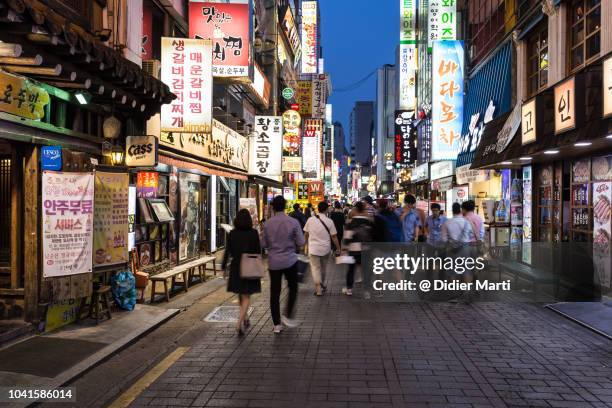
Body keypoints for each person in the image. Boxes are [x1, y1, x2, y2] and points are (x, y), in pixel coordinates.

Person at [262, 195, 305, 334]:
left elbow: (263, 244)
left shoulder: (268, 224)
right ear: (285, 206)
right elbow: (301, 242)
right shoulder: (293, 222)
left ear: (273, 207)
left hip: (273, 262)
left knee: (274, 292)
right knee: (293, 287)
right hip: (290, 260)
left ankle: (277, 324)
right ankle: (287, 314)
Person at [222, 209, 262, 335]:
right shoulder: (254, 233)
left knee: (241, 293)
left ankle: (245, 317)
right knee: (246, 296)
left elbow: (227, 251)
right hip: (249, 266)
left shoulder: (232, 233)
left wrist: (223, 267)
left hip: (236, 267)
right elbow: (258, 251)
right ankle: (239, 323)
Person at [304, 201, 341, 296]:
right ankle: (322, 284)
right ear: (326, 209)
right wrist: (338, 248)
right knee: (323, 268)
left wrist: (304, 245)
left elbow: (306, 234)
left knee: (315, 268)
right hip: (325, 249)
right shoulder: (329, 221)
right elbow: (334, 236)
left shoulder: (310, 220)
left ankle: (318, 289)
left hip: (313, 249)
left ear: (318, 209)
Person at [342, 201, 373, 295]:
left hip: (353, 250)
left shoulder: (351, 222)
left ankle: (349, 289)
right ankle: (367, 290)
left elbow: (347, 238)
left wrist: (344, 248)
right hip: (366, 249)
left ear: (355, 209)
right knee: (366, 270)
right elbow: (372, 236)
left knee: (351, 269)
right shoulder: (369, 221)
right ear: (364, 209)